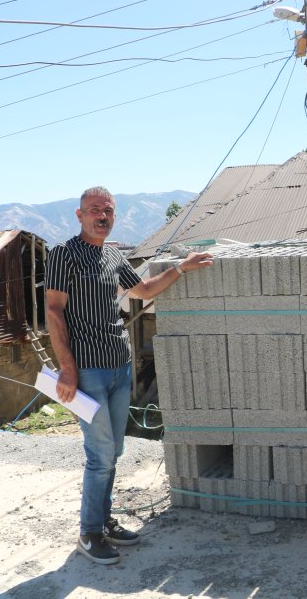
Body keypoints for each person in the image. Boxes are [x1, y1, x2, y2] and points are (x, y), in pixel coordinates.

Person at [45, 186, 214, 565]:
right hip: (87, 372)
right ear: (79, 215)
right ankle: (89, 534)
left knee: (114, 450)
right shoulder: (63, 255)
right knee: (100, 454)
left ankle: (103, 522)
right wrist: (67, 369)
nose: (101, 216)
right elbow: (54, 312)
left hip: (120, 368)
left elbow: (143, 290)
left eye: (108, 211)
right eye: (94, 210)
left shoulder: (112, 255)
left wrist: (180, 268)